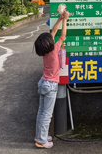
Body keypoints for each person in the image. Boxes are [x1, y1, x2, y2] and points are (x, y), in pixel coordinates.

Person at [34, 10, 70, 148]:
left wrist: (60, 19)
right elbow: (62, 35)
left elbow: (54, 33)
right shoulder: (54, 49)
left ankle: (39, 136)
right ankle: (42, 142)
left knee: (41, 112)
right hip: (51, 85)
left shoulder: (45, 52)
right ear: (49, 43)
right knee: (47, 115)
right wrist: (65, 20)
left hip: (43, 82)